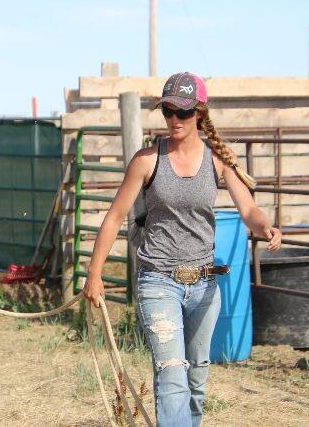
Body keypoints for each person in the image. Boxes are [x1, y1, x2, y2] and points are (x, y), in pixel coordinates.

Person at [82, 72, 281, 426]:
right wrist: (94, 274)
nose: (175, 119)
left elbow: (248, 209)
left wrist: (264, 227)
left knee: (196, 379)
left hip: (204, 285)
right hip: (159, 282)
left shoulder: (217, 160)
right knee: (172, 374)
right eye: (168, 111)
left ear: (199, 113)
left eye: (183, 112)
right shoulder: (147, 160)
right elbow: (113, 218)